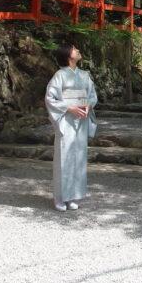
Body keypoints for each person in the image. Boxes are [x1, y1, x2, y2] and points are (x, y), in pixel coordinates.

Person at [44, 44, 97, 211]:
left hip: (81, 119)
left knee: (78, 157)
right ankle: (60, 198)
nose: (78, 50)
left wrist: (88, 105)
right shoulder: (60, 75)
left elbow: (92, 95)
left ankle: (73, 196)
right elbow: (50, 98)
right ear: (68, 56)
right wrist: (69, 107)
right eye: (75, 49)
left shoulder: (84, 75)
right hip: (66, 119)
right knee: (64, 156)